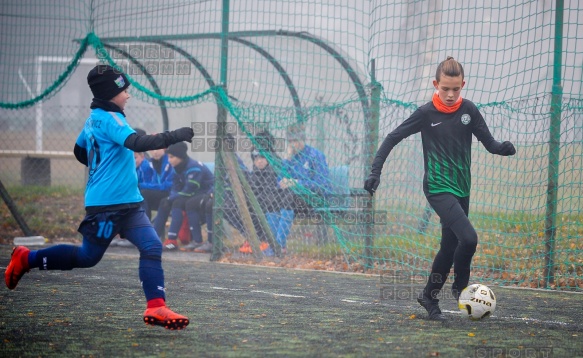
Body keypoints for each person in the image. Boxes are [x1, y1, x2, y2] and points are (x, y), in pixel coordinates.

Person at [4, 64, 195, 329]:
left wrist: (105, 166)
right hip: (107, 206)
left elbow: (80, 151)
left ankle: (156, 307)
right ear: (110, 93)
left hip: (129, 203)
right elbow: (136, 143)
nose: (128, 95)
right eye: (124, 90)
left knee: (151, 246)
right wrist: (174, 136)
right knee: (87, 257)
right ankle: (27, 259)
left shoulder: (94, 118)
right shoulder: (110, 118)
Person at [364, 57, 516, 321]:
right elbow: (392, 138)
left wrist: (503, 148)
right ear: (436, 84)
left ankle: (429, 296)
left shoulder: (469, 110)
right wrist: (375, 171)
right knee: (469, 239)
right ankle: (461, 289)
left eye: (455, 89)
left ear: (463, 85)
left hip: (461, 188)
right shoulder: (426, 114)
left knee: (449, 247)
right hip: (437, 188)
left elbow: (489, 143)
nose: (450, 94)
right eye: (445, 88)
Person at [275, 123, 332, 253]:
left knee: (288, 197)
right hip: (293, 199)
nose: (293, 144)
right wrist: (286, 162)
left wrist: (296, 183)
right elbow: (279, 180)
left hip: (315, 199)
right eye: (290, 141)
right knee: (272, 199)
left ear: (303, 140)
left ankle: (278, 246)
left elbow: (321, 184)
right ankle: (272, 243)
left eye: (296, 140)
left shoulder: (315, 155)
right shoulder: (290, 158)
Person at [153, 142, 214, 253]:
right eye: (168, 157)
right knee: (164, 202)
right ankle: (154, 239)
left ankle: (173, 241)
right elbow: (175, 188)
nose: (169, 160)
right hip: (192, 194)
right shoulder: (176, 167)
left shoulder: (193, 167)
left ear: (180, 157)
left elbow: (189, 191)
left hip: (205, 193)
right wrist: (170, 198)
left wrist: (171, 198)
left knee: (178, 202)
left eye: (172, 157)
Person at [247, 131, 294, 256]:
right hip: (265, 203)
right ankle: (266, 242)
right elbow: (254, 188)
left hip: (278, 201)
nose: (259, 161)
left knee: (272, 204)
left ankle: (277, 245)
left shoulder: (275, 165)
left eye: (262, 157)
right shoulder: (256, 169)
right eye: (256, 158)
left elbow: (273, 189)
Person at [139, 146, 175, 221]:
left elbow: (167, 186)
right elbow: (154, 183)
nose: (155, 152)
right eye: (152, 149)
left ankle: (145, 224)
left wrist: (141, 185)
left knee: (144, 193)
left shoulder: (170, 161)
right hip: (161, 193)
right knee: (139, 195)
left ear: (164, 149)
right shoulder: (153, 162)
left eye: (158, 149)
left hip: (171, 193)